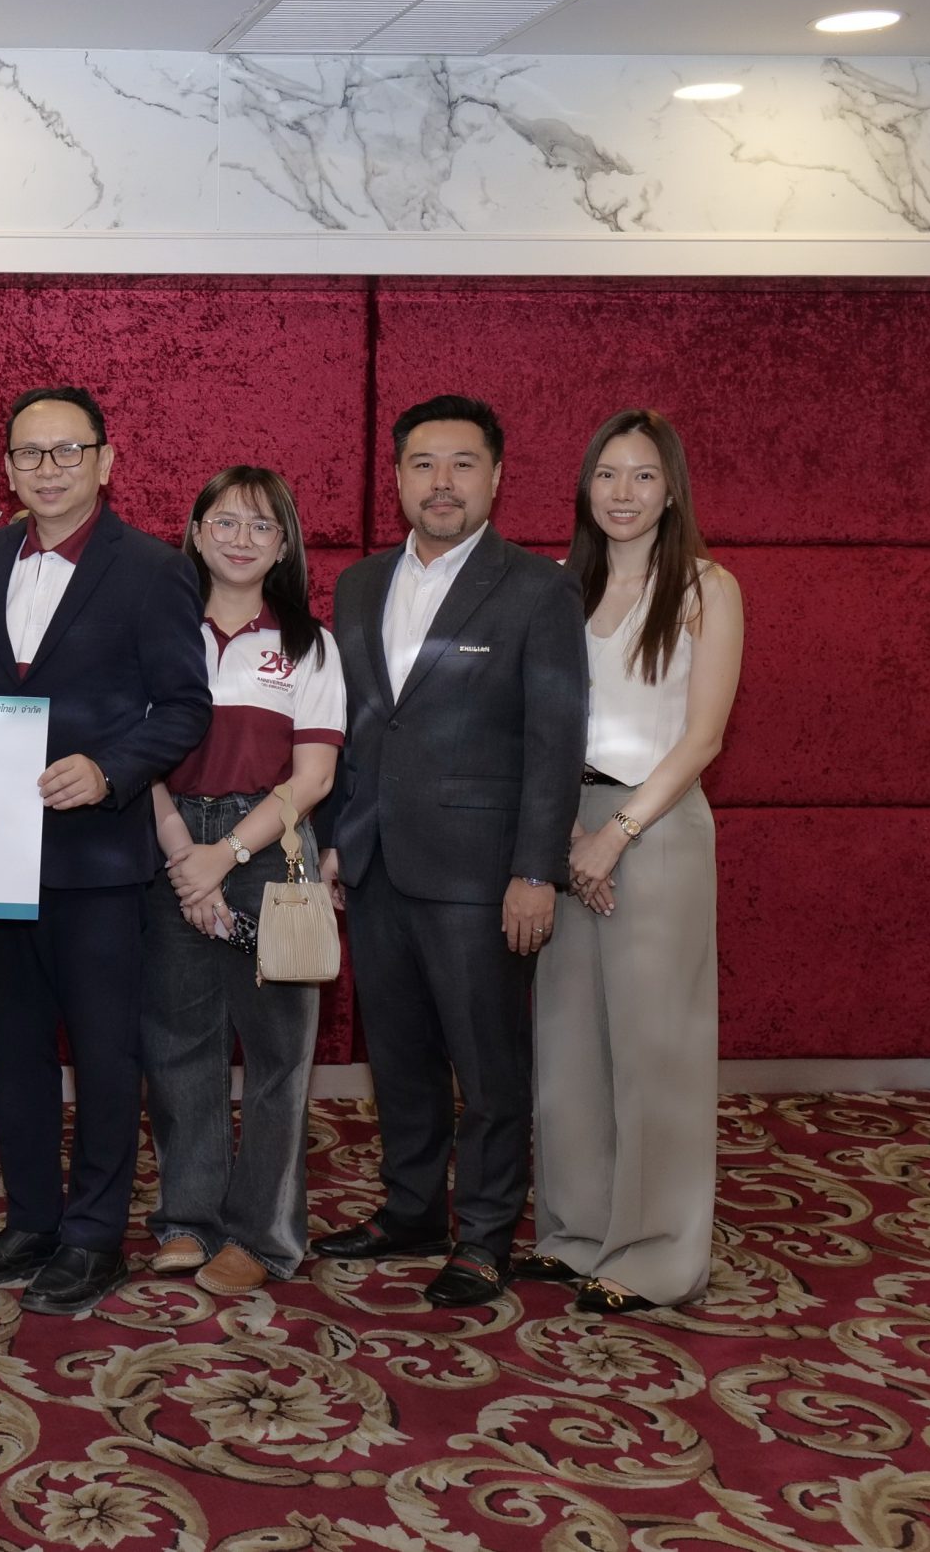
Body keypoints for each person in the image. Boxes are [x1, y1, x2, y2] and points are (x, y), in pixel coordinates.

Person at [0, 387, 214, 1316]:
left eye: (68, 451)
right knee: (14, 1053)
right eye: (30, 453)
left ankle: (95, 1237)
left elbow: (186, 706)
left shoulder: (153, 570)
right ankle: (31, 1221)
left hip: (98, 861)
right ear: (7, 467)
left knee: (103, 1055)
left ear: (106, 460)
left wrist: (109, 768)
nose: (48, 469)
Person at [313, 394, 587, 1309]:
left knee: (488, 1065)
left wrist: (535, 870)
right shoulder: (359, 584)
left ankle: (485, 1235)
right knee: (399, 1058)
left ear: (496, 477)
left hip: (482, 874)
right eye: (423, 464)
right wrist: (339, 839)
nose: (442, 482)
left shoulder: (537, 589)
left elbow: (555, 739)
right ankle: (411, 1209)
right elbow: (357, 726)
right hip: (377, 863)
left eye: (463, 463)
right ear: (396, 477)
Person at [520, 409, 742, 1316]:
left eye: (643, 475)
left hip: (655, 824)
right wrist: (563, 834)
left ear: (672, 489)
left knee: (657, 1046)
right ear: (585, 487)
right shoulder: (557, 587)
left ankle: (655, 1254)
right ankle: (577, 1231)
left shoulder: (706, 587)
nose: (623, 492)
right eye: (607, 474)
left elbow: (704, 737)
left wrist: (616, 832)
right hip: (563, 823)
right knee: (569, 1039)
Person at [140, 466, 343, 1295]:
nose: (241, 539)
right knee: (178, 1044)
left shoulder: (308, 643)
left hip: (272, 848)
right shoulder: (158, 630)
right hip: (170, 840)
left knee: (277, 1053)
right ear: (195, 532)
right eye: (224, 521)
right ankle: (187, 1219)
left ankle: (263, 1236)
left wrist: (224, 855)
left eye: (262, 525)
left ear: (284, 544)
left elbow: (314, 777)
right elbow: (138, 755)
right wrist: (182, 851)